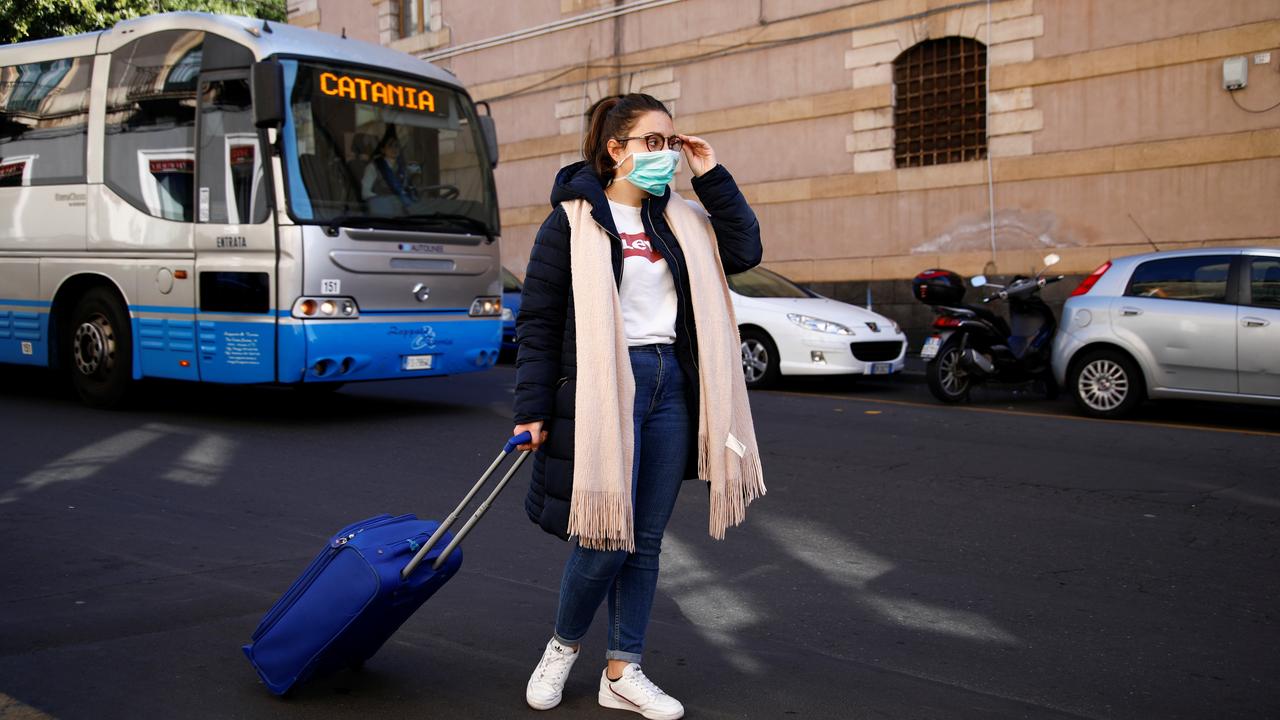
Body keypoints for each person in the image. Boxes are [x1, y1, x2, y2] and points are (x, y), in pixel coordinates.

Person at [513, 93, 766, 719]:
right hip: (603, 388)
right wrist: (532, 408)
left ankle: (623, 670)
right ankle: (562, 647)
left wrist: (711, 176)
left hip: (670, 385)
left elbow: (745, 251)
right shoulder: (569, 224)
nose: (666, 155)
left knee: (645, 540)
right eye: (653, 142)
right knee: (605, 539)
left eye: (671, 143)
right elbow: (539, 321)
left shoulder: (680, 218)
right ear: (615, 148)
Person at [361, 129, 415, 209]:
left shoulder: (404, 168)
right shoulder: (373, 167)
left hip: (404, 211)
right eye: (390, 145)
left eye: (396, 145)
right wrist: (385, 201)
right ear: (383, 149)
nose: (394, 149)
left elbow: (410, 189)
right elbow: (365, 193)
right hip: (382, 212)